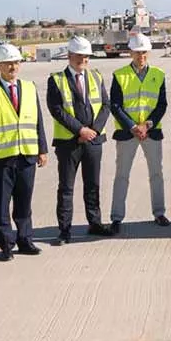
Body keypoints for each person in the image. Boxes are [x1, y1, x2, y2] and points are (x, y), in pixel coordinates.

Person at [0, 43, 46, 261]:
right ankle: (6, 244)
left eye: (16, 62)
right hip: (1, 158)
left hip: (27, 154)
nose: (13, 66)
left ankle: (25, 240)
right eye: (8, 63)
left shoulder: (29, 87)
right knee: (1, 204)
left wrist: (42, 149)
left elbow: (38, 121)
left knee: (24, 201)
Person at [47, 35, 111, 243]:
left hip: (93, 140)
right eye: (80, 56)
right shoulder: (56, 79)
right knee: (66, 187)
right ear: (69, 55)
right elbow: (56, 110)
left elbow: (105, 105)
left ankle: (95, 223)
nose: (84, 60)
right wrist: (80, 130)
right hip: (69, 143)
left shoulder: (95, 76)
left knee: (92, 184)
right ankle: (64, 230)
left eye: (87, 56)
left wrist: (93, 131)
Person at [108, 33, 168, 231]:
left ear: (148, 52)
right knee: (122, 175)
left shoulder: (158, 75)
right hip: (128, 133)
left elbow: (162, 104)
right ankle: (117, 218)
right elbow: (115, 105)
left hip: (151, 132)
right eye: (137, 52)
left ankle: (159, 213)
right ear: (130, 52)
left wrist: (147, 125)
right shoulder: (120, 75)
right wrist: (133, 126)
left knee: (156, 174)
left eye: (143, 52)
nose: (140, 55)